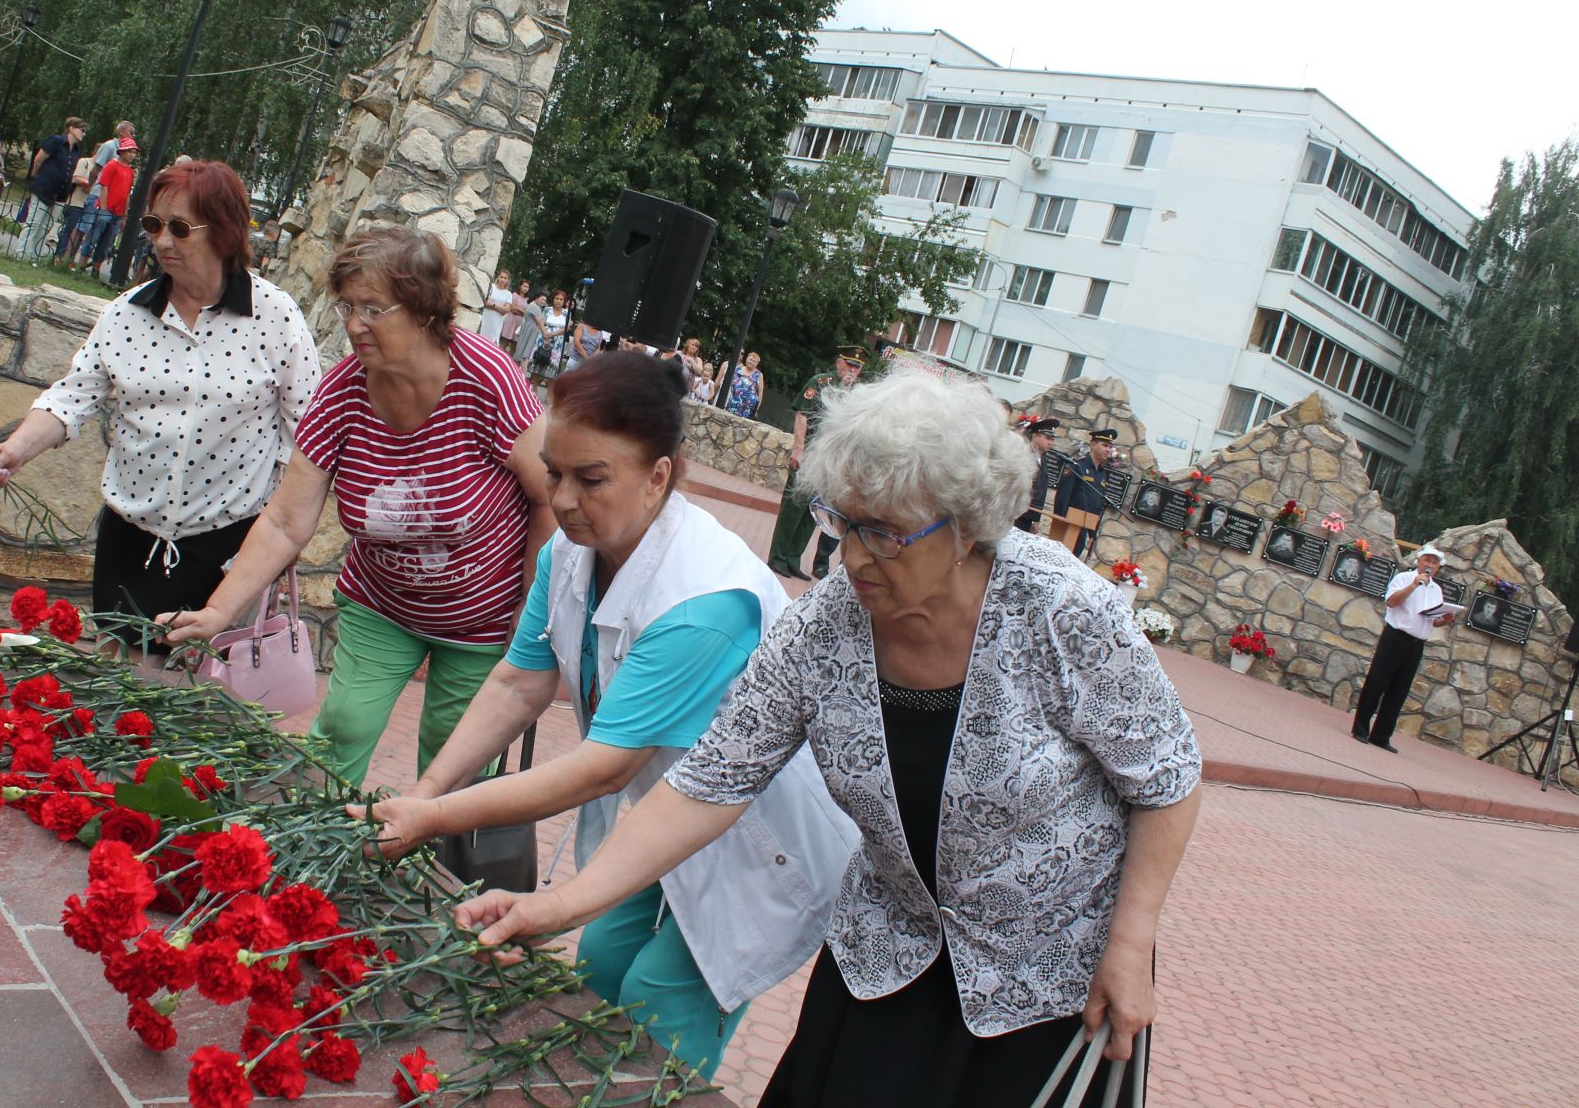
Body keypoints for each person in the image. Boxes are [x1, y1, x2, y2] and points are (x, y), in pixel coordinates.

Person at [456, 368, 1203, 1107]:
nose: (851, 556)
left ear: (967, 526)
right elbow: (710, 782)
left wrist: (1130, 943)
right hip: (892, 944)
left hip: (1050, 971)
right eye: (841, 521)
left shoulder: (1060, 609)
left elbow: (1167, 780)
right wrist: (562, 906)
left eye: (884, 533)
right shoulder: (823, 625)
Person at [354, 352, 857, 1076]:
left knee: (658, 1011)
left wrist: (434, 820)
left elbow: (602, 768)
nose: (561, 500)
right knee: (599, 966)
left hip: (756, 839)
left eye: (591, 480)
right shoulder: (571, 554)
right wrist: (423, 793)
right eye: (554, 472)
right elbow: (518, 686)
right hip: (668, 811)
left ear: (659, 475)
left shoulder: (704, 601)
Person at [160, 224, 555, 784]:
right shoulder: (342, 390)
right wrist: (219, 613)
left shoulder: (489, 379)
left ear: (423, 311)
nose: (352, 325)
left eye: (372, 309)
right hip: (383, 601)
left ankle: (434, 866)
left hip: (483, 619)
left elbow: (549, 498)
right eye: (347, 307)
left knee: (457, 761)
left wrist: (528, 611)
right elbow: (285, 519)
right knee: (342, 727)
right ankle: (310, 858)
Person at [0, 160, 321, 643]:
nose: (161, 241)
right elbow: (73, 396)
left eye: (180, 229)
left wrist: (279, 533)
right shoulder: (126, 313)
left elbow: (307, 429)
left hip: (225, 545)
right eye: (153, 225)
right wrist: (16, 449)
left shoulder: (275, 317)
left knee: (188, 694)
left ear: (223, 232)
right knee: (122, 681)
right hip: (129, 539)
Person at [766, 345, 866, 581]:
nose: (852, 370)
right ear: (839, 362)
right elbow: (802, 414)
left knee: (812, 513)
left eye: (857, 367)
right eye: (849, 364)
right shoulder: (820, 383)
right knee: (793, 507)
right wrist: (799, 449)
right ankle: (778, 557)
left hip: (829, 463)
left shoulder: (855, 396)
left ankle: (793, 559)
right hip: (810, 454)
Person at [1351, 545, 1457, 752]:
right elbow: (1391, 602)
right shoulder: (1403, 579)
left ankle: (1381, 736)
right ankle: (1361, 728)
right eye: (1427, 560)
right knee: (1377, 683)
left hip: (1416, 644)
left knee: (1399, 691)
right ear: (1419, 561)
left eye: (1434, 563)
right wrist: (1413, 586)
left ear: (1438, 568)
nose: (1430, 565)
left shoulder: (1436, 590)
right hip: (1395, 637)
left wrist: (1445, 620)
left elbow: (1432, 621)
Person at [16, 116, 87, 263]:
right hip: (45, 187)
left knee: (46, 225)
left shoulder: (76, 150)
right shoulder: (56, 141)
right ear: (71, 128)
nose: (83, 133)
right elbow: (39, 159)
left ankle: (33, 254)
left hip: (61, 193)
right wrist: (37, 175)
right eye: (82, 130)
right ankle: (21, 253)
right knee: (34, 223)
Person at [74, 120, 138, 270]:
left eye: (134, 152)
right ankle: (78, 263)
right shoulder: (111, 154)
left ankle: (95, 268)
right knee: (91, 234)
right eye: (129, 151)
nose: (132, 155)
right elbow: (102, 181)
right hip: (103, 204)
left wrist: (124, 214)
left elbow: (127, 192)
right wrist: (101, 204)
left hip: (117, 210)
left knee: (107, 242)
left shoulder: (129, 171)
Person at [1052, 427, 1120, 559]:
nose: (1108, 449)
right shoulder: (1078, 466)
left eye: (1110, 447)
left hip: (1082, 527)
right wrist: (1060, 523)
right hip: (1068, 524)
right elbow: (1062, 496)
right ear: (1093, 444)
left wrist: (1092, 533)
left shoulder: (1101, 473)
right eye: (1105, 445)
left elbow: (1097, 505)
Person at [1014, 416, 1060, 531]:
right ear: (1035, 436)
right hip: (1016, 513)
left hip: (1029, 516)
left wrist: (1036, 519)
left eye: (1052, 439)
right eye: (1047, 438)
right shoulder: (1024, 455)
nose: (1050, 442)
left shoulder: (1043, 460)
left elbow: (1041, 491)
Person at [532, 289, 571, 390]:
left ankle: (549, 395)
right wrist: (545, 333)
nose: (558, 301)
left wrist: (552, 334)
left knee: (552, 367)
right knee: (538, 363)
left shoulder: (567, 313)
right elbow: (541, 323)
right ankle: (534, 390)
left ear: (564, 301)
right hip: (543, 339)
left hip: (558, 342)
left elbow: (567, 328)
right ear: (553, 299)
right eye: (556, 298)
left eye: (561, 299)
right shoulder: (547, 309)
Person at [720, 350, 766, 419]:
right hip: (734, 403)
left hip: (748, 408)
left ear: (757, 364)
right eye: (750, 359)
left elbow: (760, 392)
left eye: (754, 361)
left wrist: (756, 408)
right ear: (746, 359)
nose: (751, 362)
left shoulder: (758, 375)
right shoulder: (737, 370)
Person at [513, 285, 549, 367]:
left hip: (529, 328)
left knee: (522, 351)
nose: (543, 302)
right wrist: (545, 335)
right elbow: (540, 322)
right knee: (524, 353)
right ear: (536, 298)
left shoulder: (535, 306)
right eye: (542, 299)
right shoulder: (534, 307)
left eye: (545, 301)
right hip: (530, 329)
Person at [479, 268, 516, 342]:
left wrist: (492, 304)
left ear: (508, 280)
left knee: (491, 342)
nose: (503, 280)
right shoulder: (491, 287)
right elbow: (485, 303)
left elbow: (506, 310)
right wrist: (501, 308)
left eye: (505, 278)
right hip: (485, 318)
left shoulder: (508, 294)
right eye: (501, 277)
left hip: (496, 322)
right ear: (498, 277)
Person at [499, 279, 529, 355]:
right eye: (524, 286)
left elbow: (527, 313)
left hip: (520, 323)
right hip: (511, 320)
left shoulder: (527, 299)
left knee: (514, 345)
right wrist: (522, 311)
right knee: (505, 342)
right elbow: (512, 309)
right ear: (520, 286)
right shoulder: (515, 295)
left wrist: (518, 308)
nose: (525, 288)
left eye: (527, 287)